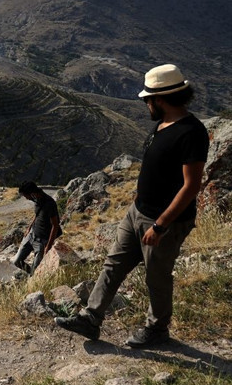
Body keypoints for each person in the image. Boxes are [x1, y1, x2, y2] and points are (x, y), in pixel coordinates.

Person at [55, 64, 209, 348]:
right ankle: (91, 318)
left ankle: (157, 329)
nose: (146, 104)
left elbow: (191, 186)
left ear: (160, 99)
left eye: (148, 99)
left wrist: (160, 226)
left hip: (165, 222)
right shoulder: (162, 124)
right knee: (113, 264)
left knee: (156, 277)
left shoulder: (192, 132)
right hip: (138, 212)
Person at [12, 181, 60, 274]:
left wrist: (48, 246)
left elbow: (55, 225)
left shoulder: (50, 203)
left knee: (35, 270)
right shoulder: (36, 199)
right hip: (31, 235)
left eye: (26, 195)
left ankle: (32, 277)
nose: (26, 198)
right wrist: (29, 228)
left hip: (42, 241)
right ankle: (31, 274)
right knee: (17, 261)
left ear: (32, 193)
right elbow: (37, 214)